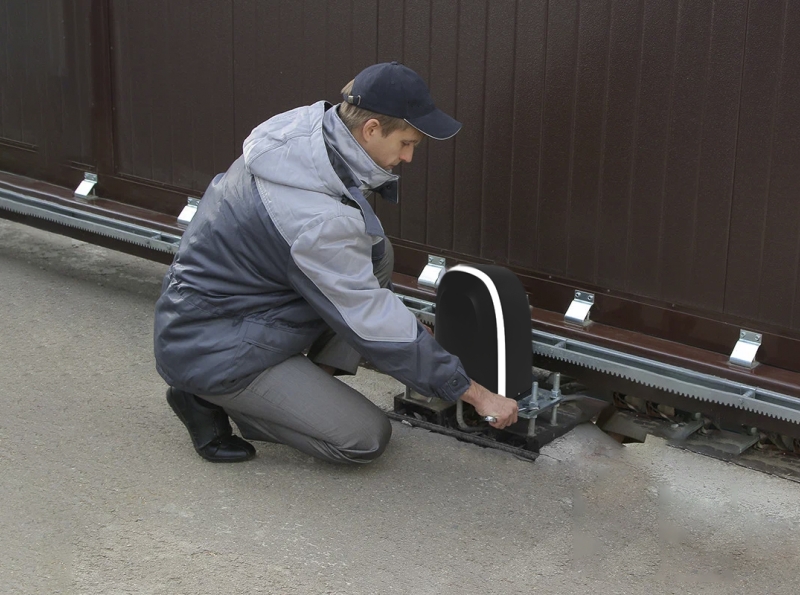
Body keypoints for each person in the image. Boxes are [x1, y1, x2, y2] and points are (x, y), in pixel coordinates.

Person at [153, 62, 518, 464]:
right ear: (371, 129)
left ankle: (304, 388)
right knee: (363, 438)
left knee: (376, 254)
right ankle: (206, 396)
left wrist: (406, 336)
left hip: (228, 310)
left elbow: (354, 283)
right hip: (213, 349)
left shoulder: (303, 136)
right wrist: (474, 392)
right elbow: (369, 314)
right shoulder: (316, 221)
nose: (409, 157)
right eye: (406, 143)